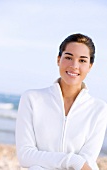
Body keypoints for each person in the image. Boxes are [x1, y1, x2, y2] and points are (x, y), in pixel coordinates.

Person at [16, 33, 107, 170]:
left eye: (82, 60)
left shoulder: (99, 109)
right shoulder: (31, 99)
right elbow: (25, 155)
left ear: (90, 66)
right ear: (58, 60)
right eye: (68, 57)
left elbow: (87, 161)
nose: (74, 65)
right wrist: (72, 160)